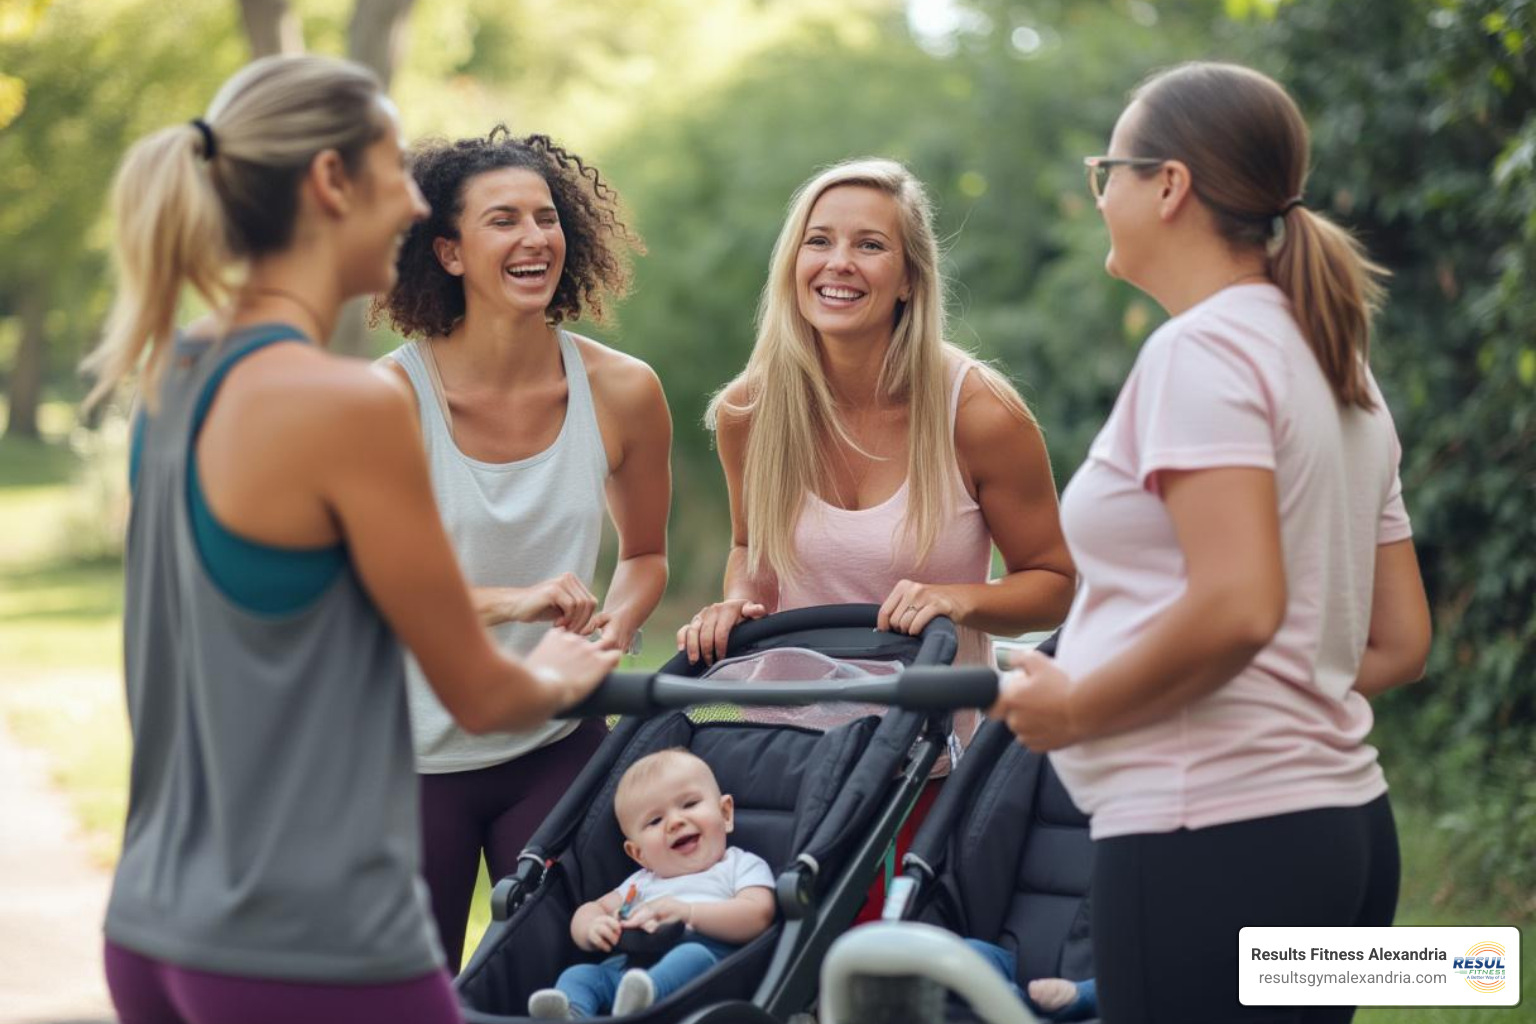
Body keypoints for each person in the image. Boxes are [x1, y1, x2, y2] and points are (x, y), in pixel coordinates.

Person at [83, 56, 619, 1024]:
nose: (415, 204)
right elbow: (486, 692)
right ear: (332, 183)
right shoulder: (339, 403)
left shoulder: (175, 375)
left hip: (151, 932)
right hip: (305, 947)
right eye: (392, 170)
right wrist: (572, 668)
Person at [990, 61, 1433, 1024]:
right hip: (1346, 835)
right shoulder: (1338, 368)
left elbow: (1239, 605)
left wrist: (1078, 704)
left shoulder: (1203, 352)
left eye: (1107, 167)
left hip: (1213, 843)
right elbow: (1399, 643)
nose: (1098, 191)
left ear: (1169, 185)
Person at [679, 157, 1074, 918]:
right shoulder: (749, 412)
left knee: (888, 980)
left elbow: (1055, 582)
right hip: (786, 763)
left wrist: (955, 600)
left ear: (909, 279)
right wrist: (737, 599)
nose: (838, 263)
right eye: (819, 241)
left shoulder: (981, 413)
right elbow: (749, 550)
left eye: (869, 245)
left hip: (929, 766)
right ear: (793, 264)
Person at [373, 127, 671, 971]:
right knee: (408, 992)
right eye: (502, 220)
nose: (534, 238)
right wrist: (517, 600)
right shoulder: (386, 403)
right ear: (449, 251)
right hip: (407, 753)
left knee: (570, 976)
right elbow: (373, 586)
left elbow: (644, 555)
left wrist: (612, 628)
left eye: (546, 218)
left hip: (553, 744)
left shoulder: (622, 390)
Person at [527, 749, 776, 1019]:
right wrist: (592, 927)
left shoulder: (738, 865)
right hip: (631, 967)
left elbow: (759, 914)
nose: (675, 822)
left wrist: (688, 913)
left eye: (689, 804)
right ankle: (573, 1015)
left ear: (725, 813)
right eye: (655, 821)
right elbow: (592, 908)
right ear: (639, 854)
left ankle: (646, 1002)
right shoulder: (640, 884)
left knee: (691, 956)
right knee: (579, 975)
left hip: (707, 965)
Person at [962, 940, 1097, 1023]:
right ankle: (1009, 1001)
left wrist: (1081, 992)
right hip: (1019, 988)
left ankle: (1077, 994)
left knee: (1108, 990)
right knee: (968, 950)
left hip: (1100, 995)